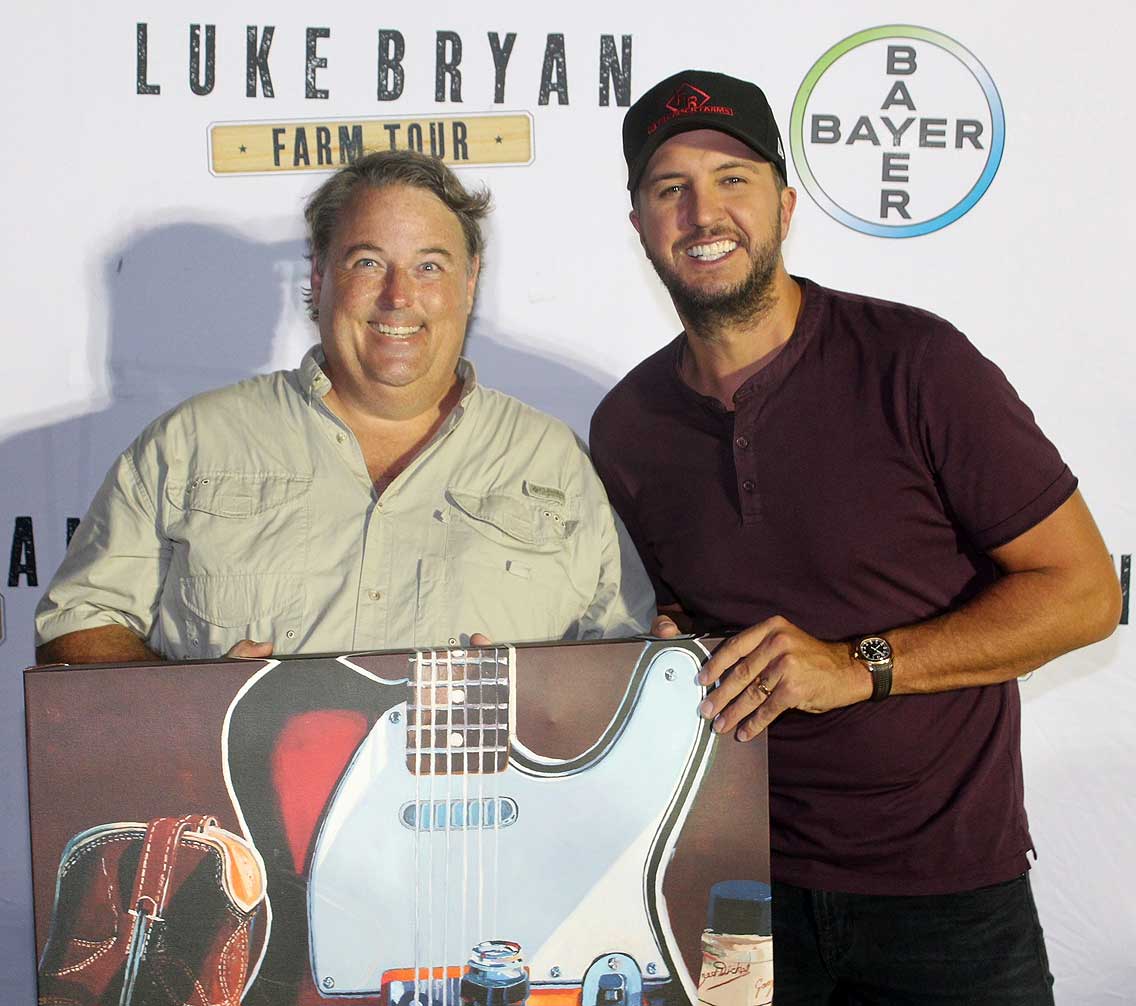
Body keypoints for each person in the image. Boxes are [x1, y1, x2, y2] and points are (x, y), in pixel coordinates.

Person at [589, 69, 1122, 1004]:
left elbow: (1085, 593)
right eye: (669, 188)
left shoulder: (917, 364)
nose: (702, 210)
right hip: (733, 891)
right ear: (638, 224)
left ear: (786, 204)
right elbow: (674, 607)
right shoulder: (629, 425)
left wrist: (856, 663)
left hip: (946, 897)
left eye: (732, 178)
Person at [35, 149, 653, 664]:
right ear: (318, 274)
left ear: (470, 282)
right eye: (367, 262)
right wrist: (195, 710)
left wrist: (548, 704)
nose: (398, 297)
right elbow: (77, 623)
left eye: (429, 266)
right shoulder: (189, 443)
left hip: (484, 806)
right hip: (235, 812)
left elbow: (625, 654)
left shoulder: (552, 460)